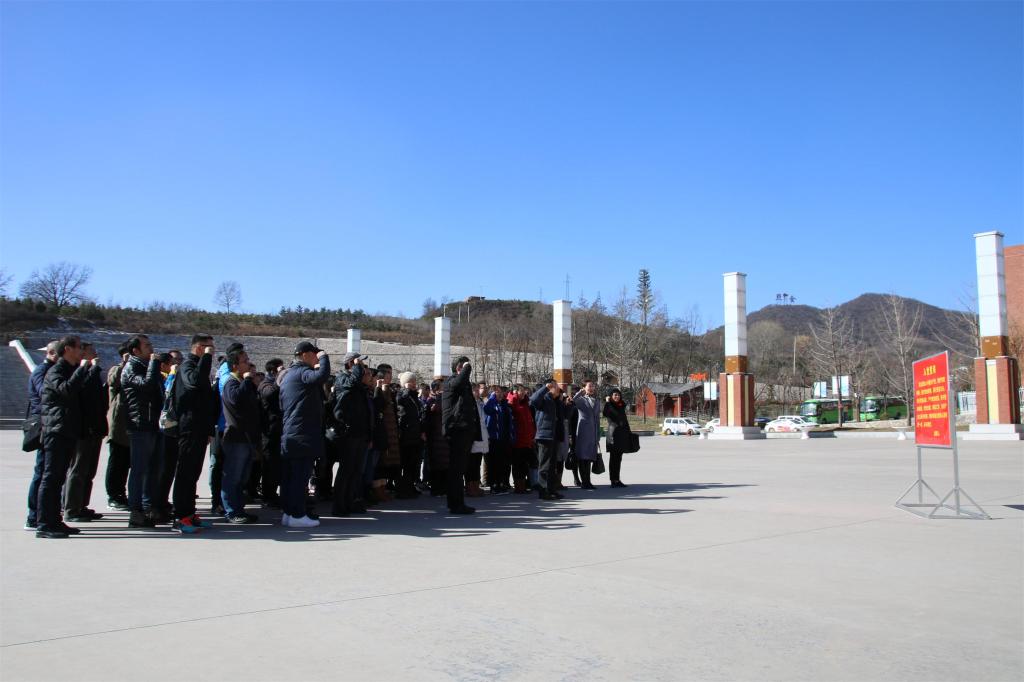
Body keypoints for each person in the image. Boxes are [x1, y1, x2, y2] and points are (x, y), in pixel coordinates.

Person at [36, 335, 100, 538]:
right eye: (79, 347)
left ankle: (55, 520)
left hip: (68, 429)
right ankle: (44, 524)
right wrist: (82, 369)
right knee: (51, 477)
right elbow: (67, 390)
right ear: (68, 349)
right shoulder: (56, 371)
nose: (82, 351)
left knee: (58, 478)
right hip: (56, 430)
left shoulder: (70, 370)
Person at [279, 341, 330, 528]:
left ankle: (289, 513)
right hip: (302, 433)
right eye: (315, 354)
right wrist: (325, 358)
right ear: (305, 354)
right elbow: (322, 376)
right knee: (300, 478)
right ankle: (298, 515)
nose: (317, 357)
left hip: (292, 432)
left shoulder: (289, 375)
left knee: (290, 477)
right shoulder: (302, 372)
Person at [172, 334, 219, 534]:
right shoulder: (187, 366)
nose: (212, 352)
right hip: (188, 427)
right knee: (185, 472)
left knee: (193, 473)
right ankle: (180, 517)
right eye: (209, 348)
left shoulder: (199, 366)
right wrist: (206, 358)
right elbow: (195, 382)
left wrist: (208, 429)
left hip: (199, 428)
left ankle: (189, 513)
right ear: (199, 347)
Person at [121, 335, 166, 527]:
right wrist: (154, 364)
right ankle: (136, 511)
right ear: (135, 350)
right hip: (140, 424)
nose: (151, 348)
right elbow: (146, 385)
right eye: (147, 346)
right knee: (139, 470)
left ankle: (149, 508)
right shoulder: (131, 367)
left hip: (153, 424)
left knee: (154, 469)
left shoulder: (147, 366)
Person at [63, 342, 108, 522]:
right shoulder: (78, 373)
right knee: (78, 469)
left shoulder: (93, 373)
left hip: (94, 427)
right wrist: (91, 370)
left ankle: (81, 505)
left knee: (88, 471)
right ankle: (71, 509)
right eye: (91, 352)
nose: (95, 354)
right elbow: (84, 393)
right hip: (83, 428)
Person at [219, 348, 261, 523]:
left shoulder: (242, 382)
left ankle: (238, 509)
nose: (248, 364)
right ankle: (231, 511)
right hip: (236, 438)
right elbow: (236, 399)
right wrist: (247, 380)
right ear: (235, 366)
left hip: (246, 437)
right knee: (233, 477)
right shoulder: (231, 383)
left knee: (242, 477)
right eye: (245, 361)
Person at [331, 352, 372, 516]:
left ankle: (350, 502)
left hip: (360, 431)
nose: (362, 366)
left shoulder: (357, 382)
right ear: (350, 364)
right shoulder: (342, 378)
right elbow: (350, 386)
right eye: (359, 363)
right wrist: (357, 368)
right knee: (346, 469)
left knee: (356, 470)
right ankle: (339, 505)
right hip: (348, 432)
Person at [23, 340, 57, 531]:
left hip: (50, 422)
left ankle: (44, 512)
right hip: (43, 423)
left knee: (48, 471)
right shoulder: (42, 371)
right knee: (42, 471)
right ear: (51, 353)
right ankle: (33, 515)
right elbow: (44, 393)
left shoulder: (51, 370)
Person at [441, 356, 479, 514]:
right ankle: (455, 504)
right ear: (459, 368)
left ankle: (457, 502)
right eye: (464, 367)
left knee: (460, 469)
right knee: (456, 470)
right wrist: (467, 367)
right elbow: (459, 382)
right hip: (456, 429)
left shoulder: (463, 384)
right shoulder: (451, 381)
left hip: (464, 430)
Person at [105, 343, 131, 511]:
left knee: (126, 463)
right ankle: (113, 495)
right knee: (117, 462)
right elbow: (113, 381)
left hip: (131, 425)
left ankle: (121, 493)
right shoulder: (116, 369)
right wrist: (124, 364)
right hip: (119, 425)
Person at [530, 379, 566, 500]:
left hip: (554, 436)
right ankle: (543, 491)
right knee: (544, 465)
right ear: (550, 387)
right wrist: (545, 388)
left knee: (552, 465)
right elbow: (533, 400)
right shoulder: (544, 398)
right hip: (544, 436)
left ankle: (551, 489)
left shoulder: (556, 401)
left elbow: (563, 416)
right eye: (555, 386)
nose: (558, 389)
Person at [258, 358, 285, 508]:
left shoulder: (276, 383)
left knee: (277, 465)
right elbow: (269, 394)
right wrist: (279, 380)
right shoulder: (265, 384)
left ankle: (273, 494)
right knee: (269, 464)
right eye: (280, 369)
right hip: (268, 431)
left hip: (278, 429)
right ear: (273, 370)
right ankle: (268, 496)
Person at [372, 364, 401, 504]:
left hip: (391, 432)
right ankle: (377, 491)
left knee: (386, 464)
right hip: (381, 432)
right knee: (379, 463)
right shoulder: (377, 390)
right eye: (388, 373)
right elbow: (379, 408)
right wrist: (381, 389)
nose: (390, 376)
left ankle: (383, 488)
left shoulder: (390, 391)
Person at [395, 371, 424, 499]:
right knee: (405, 463)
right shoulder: (401, 394)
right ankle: (403, 489)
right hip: (405, 434)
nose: (414, 384)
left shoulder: (414, 396)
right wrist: (406, 390)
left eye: (414, 381)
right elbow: (399, 404)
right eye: (411, 381)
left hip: (415, 434)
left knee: (413, 463)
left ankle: (410, 486)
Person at [483, 385, 515, 493]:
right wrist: (492, 398)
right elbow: (487, 410)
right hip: (494, 438)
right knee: (494, 463)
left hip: (504, 438)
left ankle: (501, 483)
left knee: (503, 462)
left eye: (501, 392)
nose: (500, 394)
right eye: (497, 392)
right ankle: (494, 485)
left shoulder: (504, 404)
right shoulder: (491, 404)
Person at [571, 381, 601, 490]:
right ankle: (584, 482)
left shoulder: (597, 401)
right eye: (589, 386)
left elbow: (597, 418)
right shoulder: (581, 400)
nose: (592, 388)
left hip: (593, 432)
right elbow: (573, 400)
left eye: (593, 386)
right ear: (584, 387)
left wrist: (598, 434)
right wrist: (580, 392)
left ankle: (588, 481)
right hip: (583, 432)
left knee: (589, 458)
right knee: (582, 457)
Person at [507, 384, 537, 494]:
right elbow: (512, 407)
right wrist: (514, 396)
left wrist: (533, 435)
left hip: (527, 440)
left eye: (524, 390)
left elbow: (530, 421)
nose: (523, 393)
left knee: (526, 464)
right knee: (518, 465)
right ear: (515, 392)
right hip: (518, 440)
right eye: (521, 391)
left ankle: (524, 485)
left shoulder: (525, 404)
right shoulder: (512, 402)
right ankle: (519, 486)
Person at [603, 388, 631, 488]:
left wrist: (628, 433)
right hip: (613, 435)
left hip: (621, 434)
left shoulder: (621, 406)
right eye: (615, 395)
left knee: (618, 458)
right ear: (611, 396)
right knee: (613, 458)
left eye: (618, 395)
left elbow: (624, 420)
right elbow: (608, 413)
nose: (617, 396)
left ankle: (617, 479)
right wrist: (608, 402)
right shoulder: (609, 405)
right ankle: (613, 480)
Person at [467, 383, 488, 497]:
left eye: (477, 390)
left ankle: (476, 485)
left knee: (477, 463)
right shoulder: (468, 403)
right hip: (472, 437)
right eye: (475, 390)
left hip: (480, 436)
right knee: (471, 464)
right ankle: (470, 487)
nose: (477, 392)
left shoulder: (480, 402)